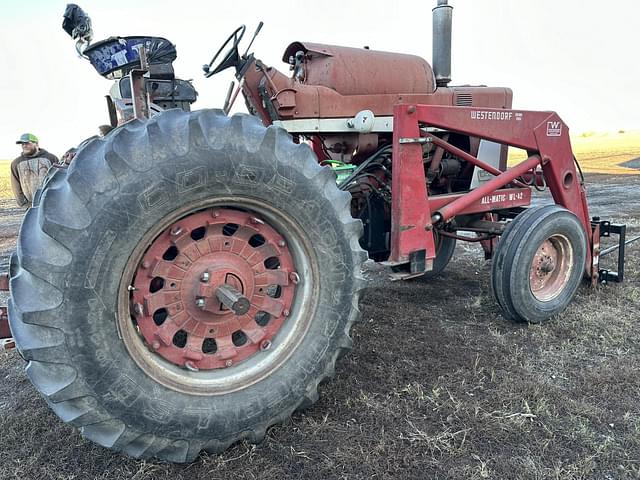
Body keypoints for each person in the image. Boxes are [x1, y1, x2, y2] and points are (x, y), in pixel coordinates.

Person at [10, 133, 59, 207]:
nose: (24, 146)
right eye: (22, 144)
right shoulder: (16, 163)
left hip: (52, 202)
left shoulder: (51, 158)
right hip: (30, 205)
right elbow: (16, 185)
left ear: (36, 144)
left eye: (27, 143)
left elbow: (59, 178)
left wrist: (57, 198)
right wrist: (24, 203)